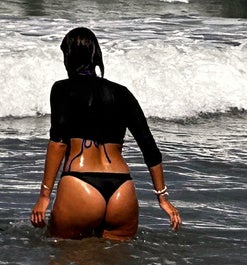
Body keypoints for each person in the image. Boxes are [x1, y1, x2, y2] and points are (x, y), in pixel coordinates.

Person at [31, 26, 181, 239]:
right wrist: (162, 198)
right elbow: (149, 148)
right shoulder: (122, 93)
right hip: (122, 189)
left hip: (79, 181)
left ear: (69, 57)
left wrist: (44, 196)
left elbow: (58, 143)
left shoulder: (62, 89)